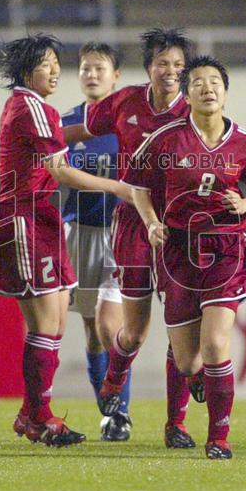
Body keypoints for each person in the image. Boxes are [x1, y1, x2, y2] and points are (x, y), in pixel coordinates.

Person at [123, 55, 246, 459]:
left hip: (225, 249)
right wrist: (153, 222)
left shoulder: (244, 143)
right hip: (177, 252)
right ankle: (195, 388)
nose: (208, 88)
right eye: (199, 83)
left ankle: (219, 439)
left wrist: (245, 204)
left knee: (215, 343)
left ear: (225, 92)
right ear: (186, 94)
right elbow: (137, 185)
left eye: (215, 83)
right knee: (189, 362)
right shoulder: (166, 139)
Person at [0, 33, 129, 447]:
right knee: (47, 324)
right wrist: (119, 188)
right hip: (25, 218)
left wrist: (81, 131)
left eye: (55, 63)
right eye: (46, 64)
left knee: (58, 321)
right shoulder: (33, 106)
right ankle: (40, 416)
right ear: (25, 70)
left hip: (40, 217)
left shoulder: (26, 107)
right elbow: (62, 172)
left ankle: (32, 412)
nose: (55, 71)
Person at [66, 28, 199, 448]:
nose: (171, 71)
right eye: (163, 63)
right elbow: (77, 130)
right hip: (132, 225)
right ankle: (115, 378)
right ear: (148, 68)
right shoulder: (125, 103)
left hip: (181, 230)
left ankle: (175, 424)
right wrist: (28, 138)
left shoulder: (195, 108)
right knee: (134, 332)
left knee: (181, 329)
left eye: (179, 64)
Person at [59, 42, 129, 440]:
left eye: (100, 67)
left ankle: (121, 413)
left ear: (115, 75)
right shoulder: (66, 122)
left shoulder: (128, 124)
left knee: (110, 326)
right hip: (80, 230)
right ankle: (109, 410)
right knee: (91, 327)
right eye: (86, 67)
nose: (91, 74)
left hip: (121, 232)